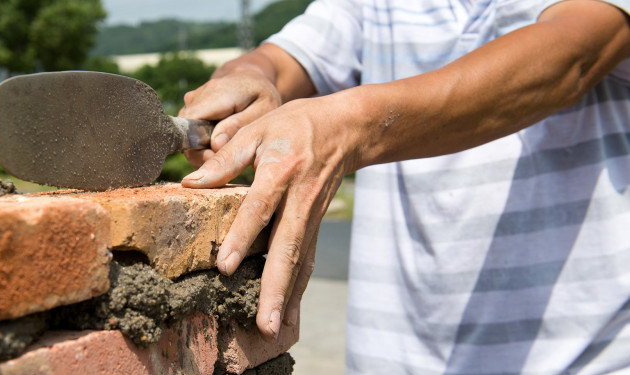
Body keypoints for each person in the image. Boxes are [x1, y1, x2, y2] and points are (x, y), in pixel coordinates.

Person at [179, 0, 630, 372]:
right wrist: (249, 77)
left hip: (579, 357)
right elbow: (279, 61)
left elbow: (569, 58)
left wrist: (349, 126)